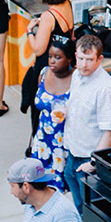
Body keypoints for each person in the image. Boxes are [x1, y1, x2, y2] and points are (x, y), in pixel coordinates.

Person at [61, 32, 111, 211]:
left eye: (89, 59)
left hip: (89, 161)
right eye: (80, 58)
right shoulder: (76, 77)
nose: (83, 64)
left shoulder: (106, 89)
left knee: (93, 211)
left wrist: (94, 163)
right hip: (72, 154)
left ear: (100, 59)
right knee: (79, 206)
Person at [22, 0, 74, 134]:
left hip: (46, 68)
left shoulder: (48, 17)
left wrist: (30, 31)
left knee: (39, 113)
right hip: (63, 66)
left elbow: (38, 49)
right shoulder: (68, 5)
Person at [30, 33, 74, 190]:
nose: (52, 61)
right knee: (40, 187)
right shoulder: (43, 73)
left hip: (64, 144)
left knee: (62, 187)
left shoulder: (77, 80)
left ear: (69, 59)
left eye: (57, 57)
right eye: (50, 56)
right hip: (42, 141)